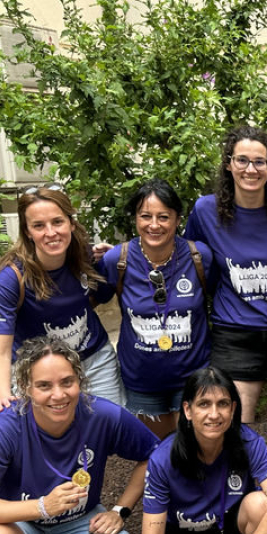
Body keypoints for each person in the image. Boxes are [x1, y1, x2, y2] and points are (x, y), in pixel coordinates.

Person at [0, 336, 159, 534]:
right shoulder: (2, 427)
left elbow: (154, 457)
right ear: (25, 387)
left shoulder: (102, 414)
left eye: (67, 382)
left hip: (81, 521)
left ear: (80, 381)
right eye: (44, 386)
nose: (59, 395)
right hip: (15, 524)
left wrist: (120, 509)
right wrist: (42, 507)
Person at [184, 125, 267, 431]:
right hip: (235, 332)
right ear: (228, 163)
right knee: (234, 421)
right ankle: (239, 479)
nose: (251, 169)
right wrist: (128, 251)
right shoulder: (206, 211)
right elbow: (186, 254)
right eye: (242, 160)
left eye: (260, 162)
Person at [141, 366, 267, 534]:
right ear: (188, 410)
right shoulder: (163, 458)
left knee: (261, 504)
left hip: (231, 525)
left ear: (232, 409)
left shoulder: (248, 442)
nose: (214, 414)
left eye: (222, 404)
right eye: (204, 404)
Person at [0, 186, 122, 414]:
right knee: (47, 441)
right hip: (36, 371)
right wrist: (3, 399)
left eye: (57, 222)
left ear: (71, 223)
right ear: (27, 231)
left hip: (93, 361)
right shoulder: (12, 277)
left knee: (111, 431)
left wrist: (116, 257)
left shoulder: (85, 257)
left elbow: (105, 293)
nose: (51, 232)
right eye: (39, 226)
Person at [98, 179, 213, 438]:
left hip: (193, 376)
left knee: (197, 447)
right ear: (135, 218)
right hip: (142, 381)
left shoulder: (199, 257)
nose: (154, 225)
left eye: (163, 217)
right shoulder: (117, 260)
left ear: (177, 219)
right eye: (145, 216)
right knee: (155, 452)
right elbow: (92, 299)